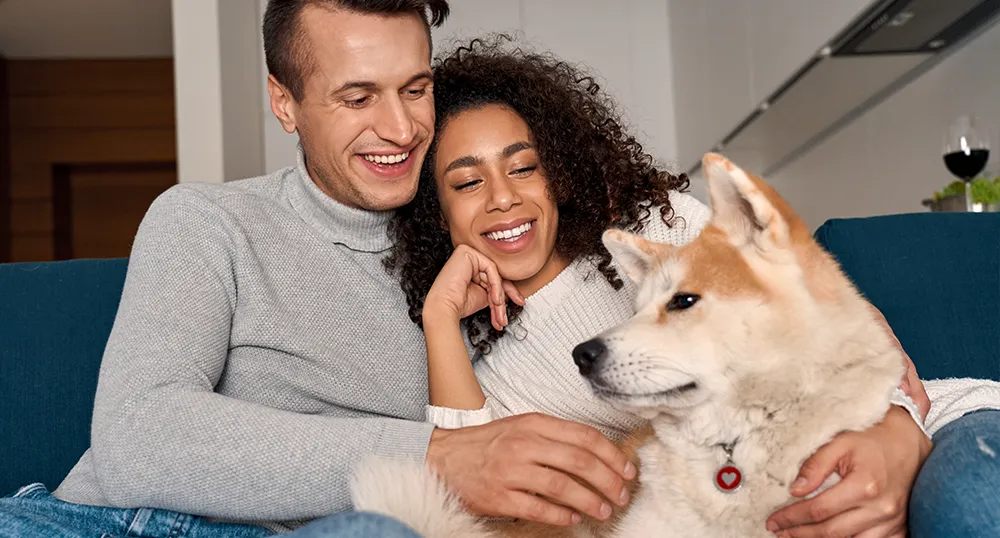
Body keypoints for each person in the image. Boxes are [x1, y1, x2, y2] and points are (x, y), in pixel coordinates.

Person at [0, 2, 635, 536]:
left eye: (416, 90)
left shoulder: (473, 243)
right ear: (285, 103)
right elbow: (136, 435)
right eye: (357, 97)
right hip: (113, 525)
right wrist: (433, 457)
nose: (400, 128)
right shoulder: (207, 220)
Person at [386, 36, 1000, 538]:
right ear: (439, 214)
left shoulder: (656, 225)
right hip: (761, 490)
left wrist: (895, 431)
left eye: (524, 168)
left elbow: (829, 318)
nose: (502, 197)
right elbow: (473, 492)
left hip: (919, 421)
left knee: (972, 506)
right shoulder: (494, 372)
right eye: (467, 183)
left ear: (560, 176)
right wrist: (441, 317)